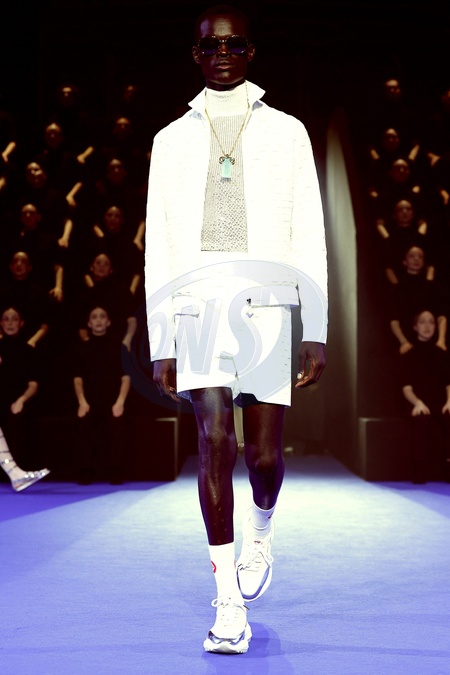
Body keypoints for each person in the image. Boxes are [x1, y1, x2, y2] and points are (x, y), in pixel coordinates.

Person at [144, 4, 327, 655]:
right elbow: (160, 245)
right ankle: (227, 601)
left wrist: (315, 324)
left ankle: (261, 530)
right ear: (195, 54)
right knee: (214, 441)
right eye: (210, 45)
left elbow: (308, 230)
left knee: (264, 458)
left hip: (269, 306)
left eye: (234, 44)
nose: (222, 53)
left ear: (251, 51)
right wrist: (161, 338)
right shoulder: (169, 140)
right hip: (198, 309)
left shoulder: (288, 132)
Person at [73, 305, 131, 485]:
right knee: (83, 422)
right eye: (94, 317)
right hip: (89, 401)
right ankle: (85, 470)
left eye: (102, 316)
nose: (98, 320)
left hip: (113, 400)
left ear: (108, 322)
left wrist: (120, 402)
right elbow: (77, 379)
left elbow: (126, 378)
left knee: (118, 423)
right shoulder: (82, 348)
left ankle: (116, 470)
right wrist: (82, 402)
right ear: (89, 323)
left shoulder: (119, 347)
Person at [0, 306, 50, 491]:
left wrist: (21, 400)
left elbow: (33, 385)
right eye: (6, 319)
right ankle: (15, 474)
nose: (10, 323)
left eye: (14, 319)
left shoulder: (26, 350)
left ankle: (15, 474)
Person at [400, 310, 450, 483]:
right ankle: (419, 473)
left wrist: (449, 401)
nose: (427, 326)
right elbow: (406, 388)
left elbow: (448, 383)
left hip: (439, 402)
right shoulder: (409, 354)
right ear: (415, 327)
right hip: (417, 402)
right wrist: (418, 403)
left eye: (431, 322)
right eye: (422, 322)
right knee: (421, 420)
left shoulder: (441, 353)